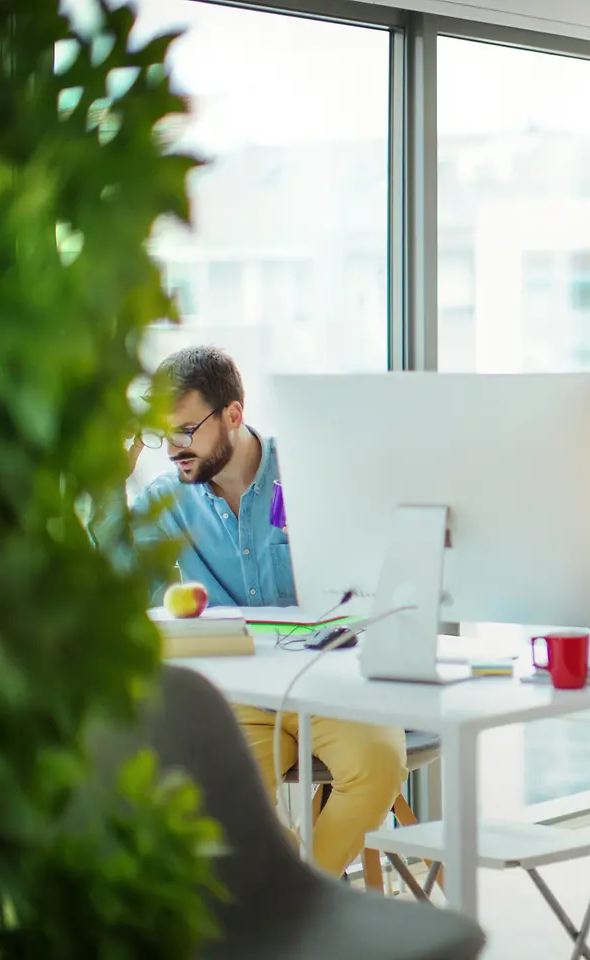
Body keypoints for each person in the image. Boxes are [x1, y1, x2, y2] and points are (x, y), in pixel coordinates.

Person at [97, 346, 406, 878]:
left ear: (234, 415)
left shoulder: (313, 468)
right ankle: (299, 907)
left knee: (379, 764)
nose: (172, 449)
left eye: (186, 430)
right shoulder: (166, 500)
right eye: (161, 435)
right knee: (227, 804)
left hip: (332, 683)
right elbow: (122, 596)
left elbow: (375, 569)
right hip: (237, 697)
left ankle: (302, 902)